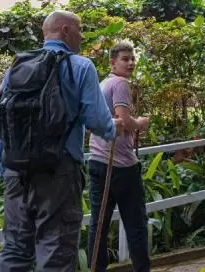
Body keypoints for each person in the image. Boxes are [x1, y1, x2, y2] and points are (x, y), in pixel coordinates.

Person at [0, 10, 123, 272]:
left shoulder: (17, 67)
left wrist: (5, 165)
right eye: (79, 30)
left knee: (15, 249)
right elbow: (97, 119)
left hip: (16, 171)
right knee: (56, 249)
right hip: (58, 171)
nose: (82, 36)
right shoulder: (81, 66)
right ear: (65, 30)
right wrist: (113, 128)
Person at [87, 40, 151, 272]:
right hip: (121, 165)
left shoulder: (102, 84)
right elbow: (124, 121)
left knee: (99, 224)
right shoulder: (121, 84)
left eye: (133, 58)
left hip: (97, 161)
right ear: (113, 62)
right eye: (125, 59)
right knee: (135, 225)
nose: (131, 63)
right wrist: (141, 123)